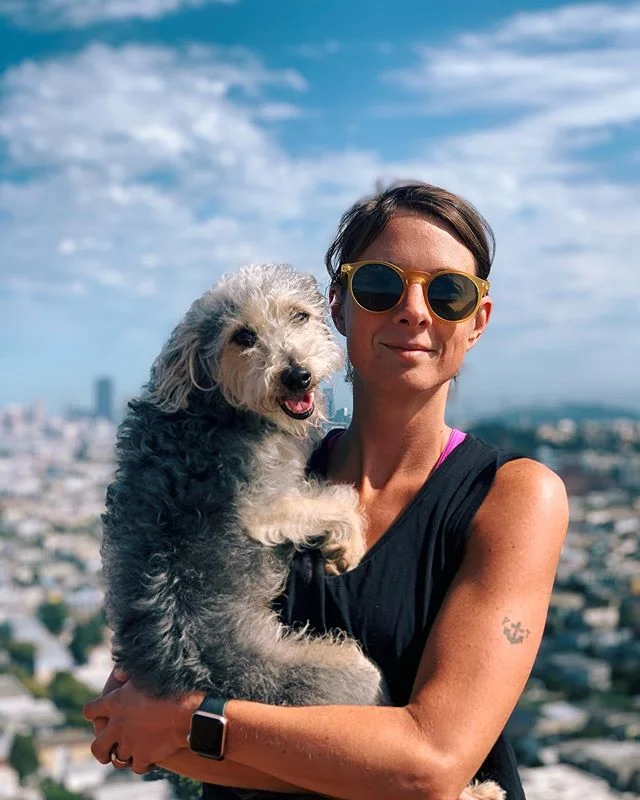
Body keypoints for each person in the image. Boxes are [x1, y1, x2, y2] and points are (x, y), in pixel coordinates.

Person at [84, 182, 569, 800]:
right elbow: (132, 726)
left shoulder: (514, 497)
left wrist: (193, 721)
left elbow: (430, 766)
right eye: (380, 285)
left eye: (448, 293)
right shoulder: (251, 483)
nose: (415, 311)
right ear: (337, 307)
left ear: (478, 321)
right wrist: (168, 723)